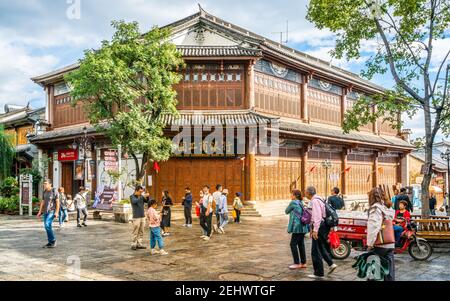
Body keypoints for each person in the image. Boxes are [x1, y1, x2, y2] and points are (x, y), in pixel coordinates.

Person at [306, 186, 337, 279]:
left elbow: (317, 217)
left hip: (320, 226)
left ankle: (319, 273)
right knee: (320, 246)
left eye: (305, 192)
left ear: (308, 193)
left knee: (315, 251)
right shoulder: (320, 199)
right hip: (324, 226)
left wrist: (315, 230)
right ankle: (331, 264)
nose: (305, 194)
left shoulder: (314, 201)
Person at [367, 187, 395, 281]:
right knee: (389, 272)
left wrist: (370, 243)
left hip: (379, 243)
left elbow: (374, 227)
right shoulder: (387, 207)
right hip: (390, 243)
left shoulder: (375, 208)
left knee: (374, 272)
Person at [285, 190, 309, 270]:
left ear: (295, 195)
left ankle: (297, 263)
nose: (291, 196)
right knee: (301, 244)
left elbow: (286, 211)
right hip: (303, 226)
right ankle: (303, 262)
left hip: (297, 227)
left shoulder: (293, 203)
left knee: (293, 244)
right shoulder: (301, 202)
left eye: (291, 195)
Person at [37, 180, 60, 248]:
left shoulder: (54, 191)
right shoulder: (44, 191)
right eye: (44, 184)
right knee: (47, 227)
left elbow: (58, 203)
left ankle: (53, 240)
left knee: (47, 224)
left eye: (46, 184)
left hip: (52, 211)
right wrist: (40, 211)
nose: (44, 185)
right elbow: (43, 202)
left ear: (50, 184)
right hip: (45, 211)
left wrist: (56, 212)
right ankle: (50, 242)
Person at [130, 185, 149, 250]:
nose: (141, 193)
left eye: (142, 192)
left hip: (142, 216)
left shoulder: (141, 196)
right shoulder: (132, 197)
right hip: (136, 216)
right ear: (136, 191)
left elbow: (147, 201)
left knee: (141, 231)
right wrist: (142, 196)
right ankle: (133, 244)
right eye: (140, 192)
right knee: (135, 231)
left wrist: (147, 196)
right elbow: (134, 201)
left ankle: (139, 244)